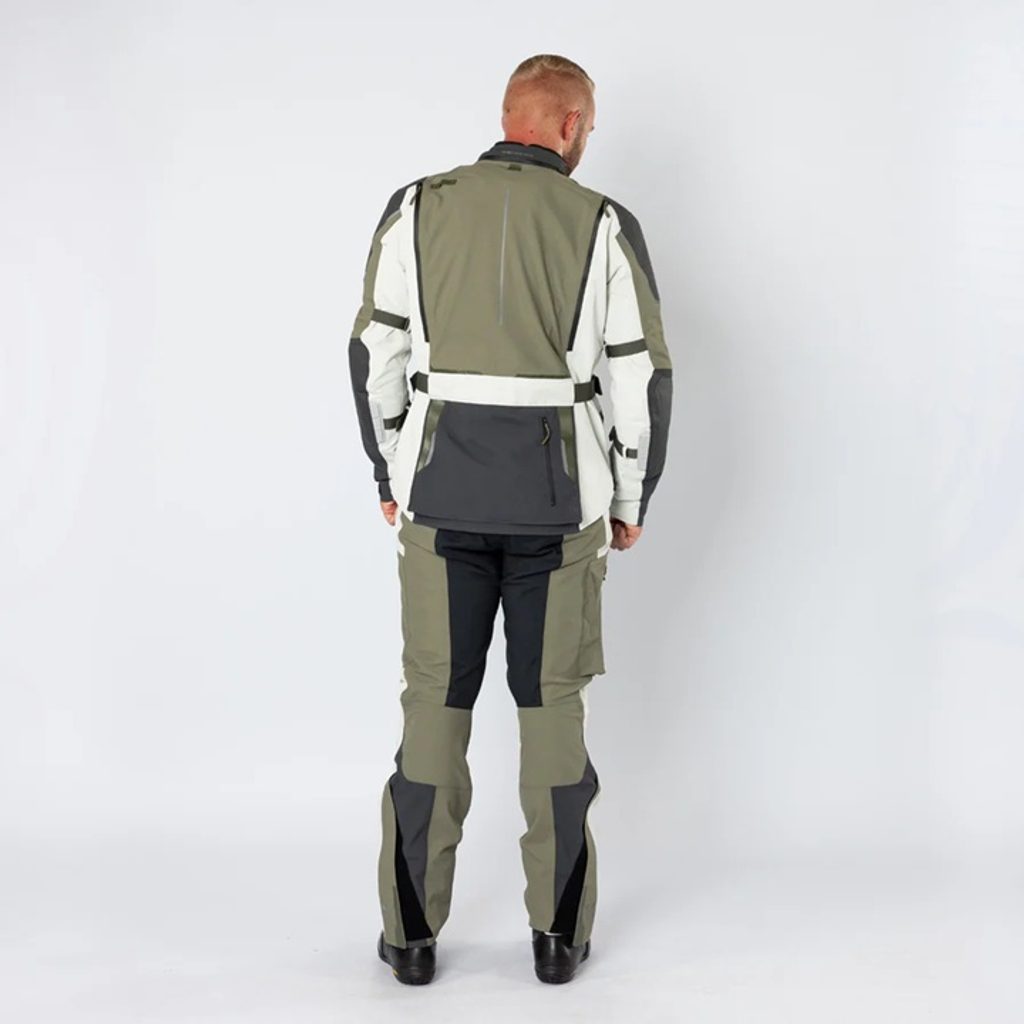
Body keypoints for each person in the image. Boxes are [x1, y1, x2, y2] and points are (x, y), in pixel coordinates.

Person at [347, 53, 673, 985]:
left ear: (509, 116)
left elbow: (374, 352)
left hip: (438, 505)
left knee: (433, 706)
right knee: (552, 711)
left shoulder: (416, 207)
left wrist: (390, 467)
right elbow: (640, 373)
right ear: (568, 126)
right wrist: (630, 496)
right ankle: (558, 941)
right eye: (589, 127)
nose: (587, 140)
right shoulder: (601, 221)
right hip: (557, 513)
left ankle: (411, 939)